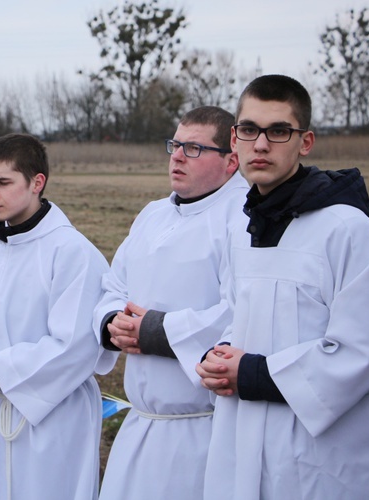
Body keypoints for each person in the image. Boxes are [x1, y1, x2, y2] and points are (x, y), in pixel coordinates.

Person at [195, 74, 369, 499]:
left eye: (278, 131)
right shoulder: (244, 228)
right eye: (249, 130)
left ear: (305, 142)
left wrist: (254, 374)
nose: (260, 145)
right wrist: (217, 356)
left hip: (325, 456)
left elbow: (368, 350)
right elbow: (239, 317)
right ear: (234, 140)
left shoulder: (346, 230)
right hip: (250, 436)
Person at [0, 133, 109, 500]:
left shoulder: (72, 252)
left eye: (3, 182)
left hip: (51, 418)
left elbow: (75, 344)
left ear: (36, 183)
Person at [93, 106, 248, 499]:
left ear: (231, 161)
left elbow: (242, 312)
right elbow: (113, 284)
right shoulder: (153, 214)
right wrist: (112, 322)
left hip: (201, 429)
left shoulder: (243, 218)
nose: (177, 156)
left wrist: (155, 331)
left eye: (193, 148)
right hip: (141, 423)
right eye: (175, 145)